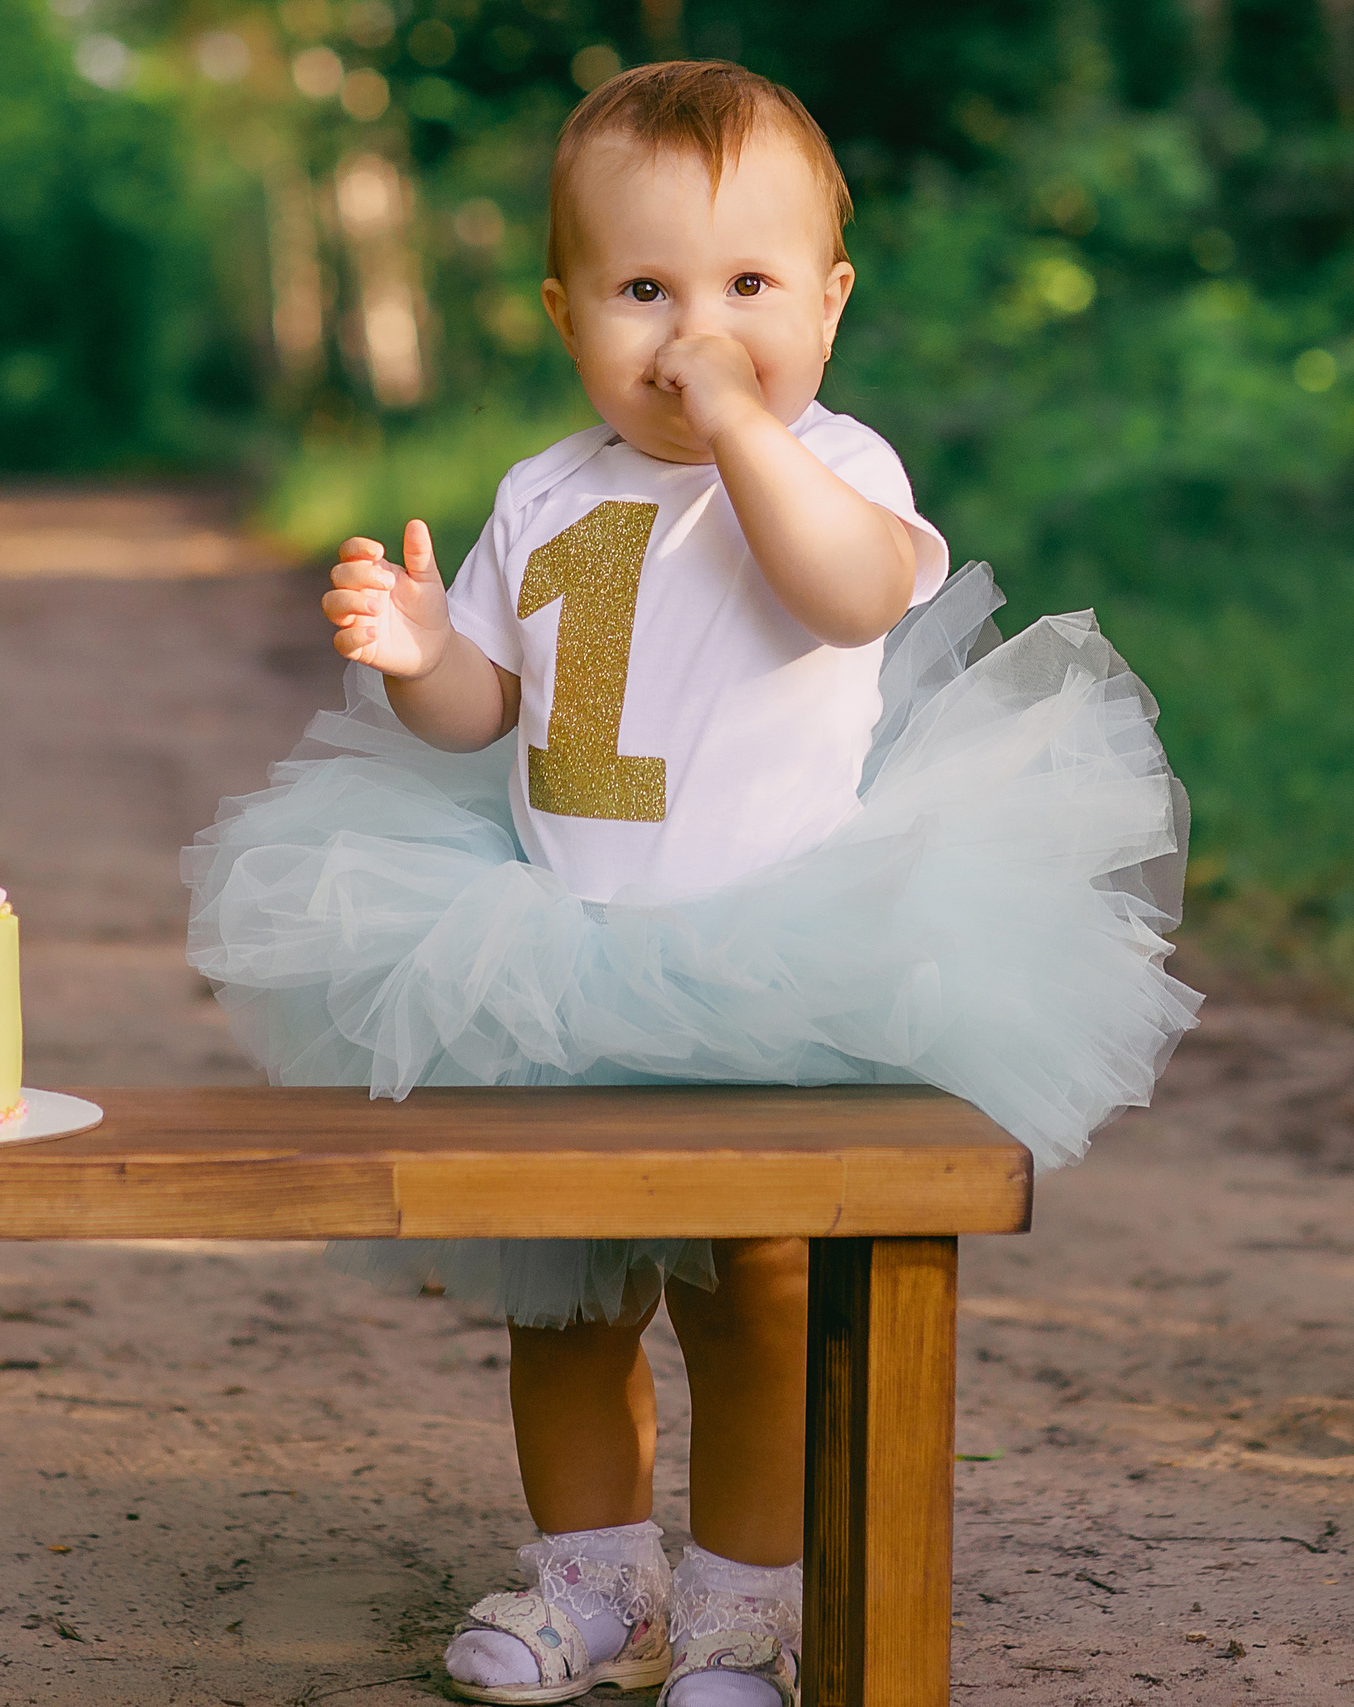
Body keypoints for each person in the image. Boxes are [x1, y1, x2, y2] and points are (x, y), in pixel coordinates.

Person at [183, 60, 1198, 1707]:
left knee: (762, 1295)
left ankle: (742, 1608)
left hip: (776, 957)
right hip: (554, 947)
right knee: (566, 1294)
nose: (693, 331)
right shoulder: (546, 490)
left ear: (830, 303)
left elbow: (854, 596)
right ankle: (598, 1588)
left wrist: (741, 426)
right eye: (644, 291)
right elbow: (487, 713)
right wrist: (422, 651)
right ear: (565, 310)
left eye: (746, 288)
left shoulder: (838, 463)